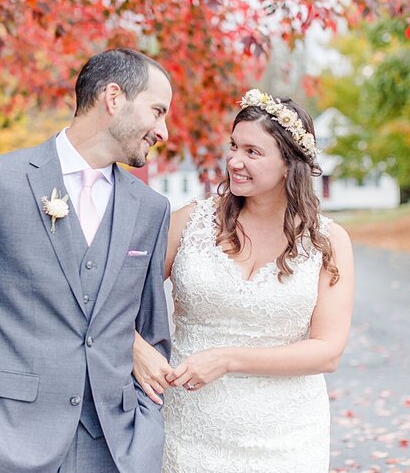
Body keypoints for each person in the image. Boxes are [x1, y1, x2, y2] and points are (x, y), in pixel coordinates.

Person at [0, 48, 174, 473]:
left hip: (115, 449)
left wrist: (146, 430)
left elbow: (151, 332)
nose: (163, 131)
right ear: (113, 98)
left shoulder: (150, 208)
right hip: (3, 441)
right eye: (157, 111)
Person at [132, 89, 355, 472]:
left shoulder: (327, 241)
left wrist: (229, 359)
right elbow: (116, 298)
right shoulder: (189, 222)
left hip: (287, 437)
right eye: (234, 146)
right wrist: (134, 348)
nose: (234, 160)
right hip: (191, 429)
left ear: (289, 164)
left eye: (252, 152)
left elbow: (327, 351)